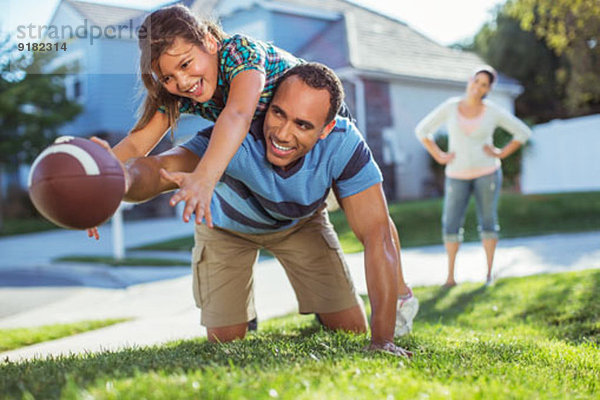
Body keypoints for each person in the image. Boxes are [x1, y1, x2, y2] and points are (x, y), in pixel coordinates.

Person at [94, 62, 418, 355]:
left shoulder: (345, 146)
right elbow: (158, 170)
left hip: (300, 224)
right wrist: (120, 177)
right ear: (267, 105)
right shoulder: (233, 135)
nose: (282, 133)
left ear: (326, 129)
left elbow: (379, 236)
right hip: (227, 228)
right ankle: (242, 316)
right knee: (227, 341)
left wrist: (382, 340)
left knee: (350, 329)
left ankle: (321, 303)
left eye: (303, 125)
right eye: (279, 113)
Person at [415, 65, 531, 287]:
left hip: (487, 173)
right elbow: (422, 130)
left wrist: (501, 152)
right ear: (470, 81)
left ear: (488, 89)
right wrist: (439, 156)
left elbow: (522, 132)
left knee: (488, 222)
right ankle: (450, 277)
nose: (478, 87)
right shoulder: (450, 107)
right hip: (456, 175)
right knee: (450, 224)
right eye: (476, 81)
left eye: (484, 85)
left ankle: (489, 274)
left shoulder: (493, 111)